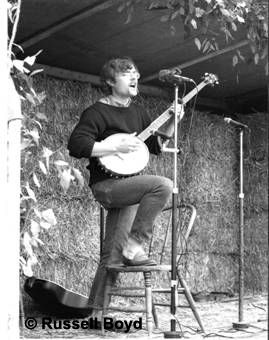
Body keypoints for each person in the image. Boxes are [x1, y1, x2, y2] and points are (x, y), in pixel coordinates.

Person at [67, 56, 178, 323]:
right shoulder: (96, 112)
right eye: (127, 73)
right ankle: (136, 244)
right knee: (162, 185)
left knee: (112, 254)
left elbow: (155, 147)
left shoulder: (138, 112)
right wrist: (114, 147)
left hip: (130, 187)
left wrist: (173, 120)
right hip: (106, 185)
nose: (134, 77)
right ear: (109, 81)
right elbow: (77, 145)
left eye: (136, 73)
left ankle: (96, 313)